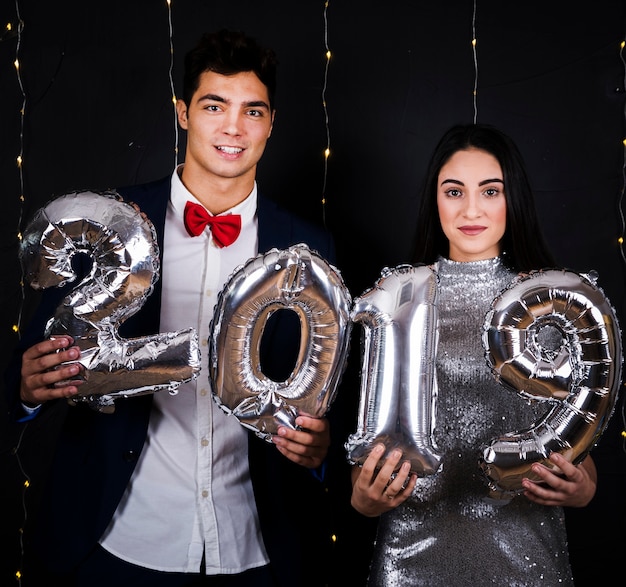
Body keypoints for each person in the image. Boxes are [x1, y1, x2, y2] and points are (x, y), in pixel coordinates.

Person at [5, 29, 339, 587]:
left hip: (254, 547)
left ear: (271, 122)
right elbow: (28, 364)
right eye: (214, 106)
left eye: (252, 111)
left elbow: (330, 398)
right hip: (117, 538)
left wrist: (320, 446)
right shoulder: (109, 224)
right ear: (183, 113)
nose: (233, 127)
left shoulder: (311, 246)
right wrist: (25, 388)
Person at [349, 123, 598, 586]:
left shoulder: (551, 304)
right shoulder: (399, 300)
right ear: (434, 199)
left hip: (526, 560)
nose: (470, 209)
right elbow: (372, 446)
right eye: (453, 191)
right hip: (411, 560)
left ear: (513, 199)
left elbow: (578, 449)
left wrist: (582, 489)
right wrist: (364, 499)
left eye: (489, 191)